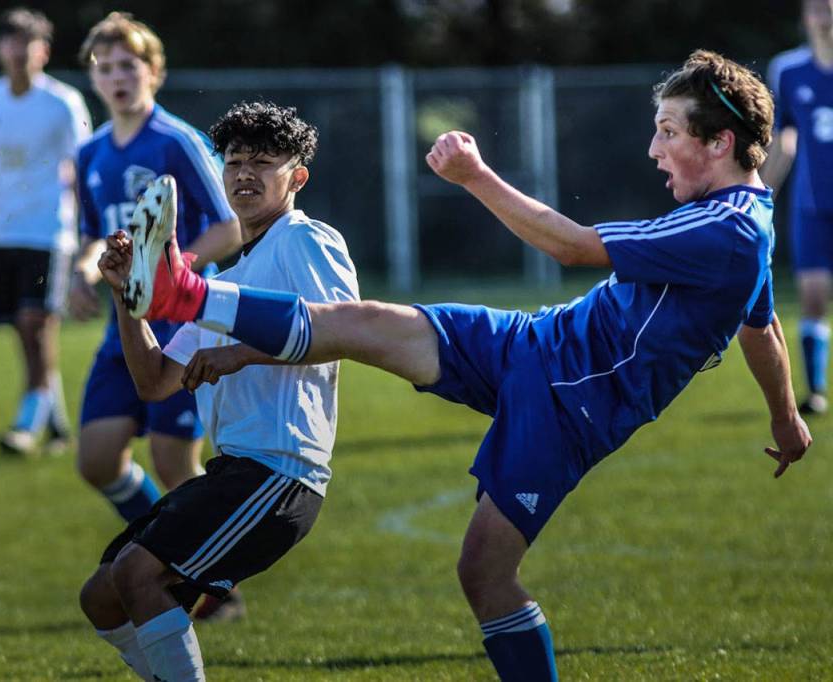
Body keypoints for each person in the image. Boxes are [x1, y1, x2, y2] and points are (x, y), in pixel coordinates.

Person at [128, 52, 813, 681]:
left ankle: (183, 291)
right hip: (531, 344)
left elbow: (572, 246)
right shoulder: (742, 223)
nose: (653, 147)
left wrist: (475, 176)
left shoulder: (727, 229)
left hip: (568, 406)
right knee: (368, 323)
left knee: (485, 574)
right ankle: (182, 292)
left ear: (718, 142)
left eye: (668, 130)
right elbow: (763, 325)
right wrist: (786, 420)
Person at [79, 101, 359, 681]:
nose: (245, 174)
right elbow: (155, 382)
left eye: (263, 162)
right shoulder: (221, 285)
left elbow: (344, 328)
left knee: (137, 576)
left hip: (281, 473)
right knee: (103, 595)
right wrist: (126, 296)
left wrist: (237, 353)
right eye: (234, 162)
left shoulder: (305, 239)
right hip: (234, 471)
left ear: (297, 177)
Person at [69, 12, 240, 552]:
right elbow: (96, 235)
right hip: (125, 326)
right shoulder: (89, 153)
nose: (116, 77)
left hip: (183, 327)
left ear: (154, 72)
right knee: (97, 460)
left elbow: (229, 227)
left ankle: (212, 577)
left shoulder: (177, 142)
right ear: (93, 79)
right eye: (105, 67)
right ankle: (169, 551)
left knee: (173, 463)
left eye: (128, 65)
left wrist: (173, 264)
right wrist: (82, 270)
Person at [0, 7, 92, 455]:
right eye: (10, 42)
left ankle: (27, 423)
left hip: (50, 233)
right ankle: (57, 422)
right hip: (2, 233)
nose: (18, 52)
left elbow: (84, 168)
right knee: (25, 330)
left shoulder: (63, 102)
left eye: (28, 43)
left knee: (36, 319)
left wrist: (91, 230)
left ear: (43, 51)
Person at [762, 0, 833, 415]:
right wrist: (761, 195)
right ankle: (817, 390)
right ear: (805, 16)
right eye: (817, 9)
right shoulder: (788, 70)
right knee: (811, 296)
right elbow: (783, 139)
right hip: (813, 204)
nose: (824, 16)